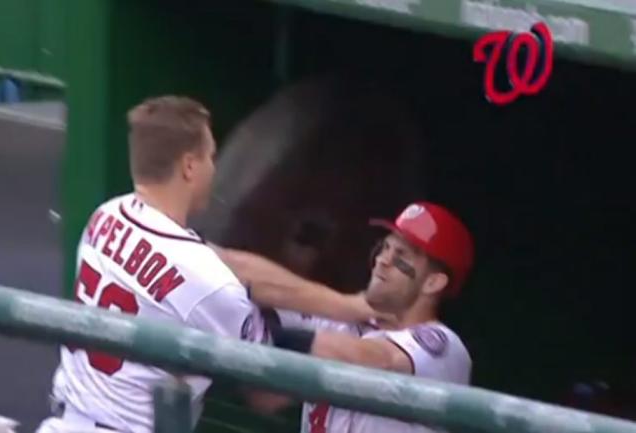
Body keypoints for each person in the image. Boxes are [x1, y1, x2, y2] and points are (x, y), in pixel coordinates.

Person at [36, 95, 390, 433]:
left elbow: (232, 266)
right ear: (189, 166)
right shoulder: (206, 282)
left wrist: (348, 306)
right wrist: (369, 350)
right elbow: (265, 389)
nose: (213, 168)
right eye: (210, 156)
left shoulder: (107, 216)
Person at [219, 201, 475, 433]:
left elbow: (375, 359)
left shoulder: (444, 347)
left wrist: (276, 339)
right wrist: (344, 306)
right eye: (385, 248)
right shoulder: (346, 324)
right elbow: (232, 269)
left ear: (432, 283)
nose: (383, 260)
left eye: (401, 256)